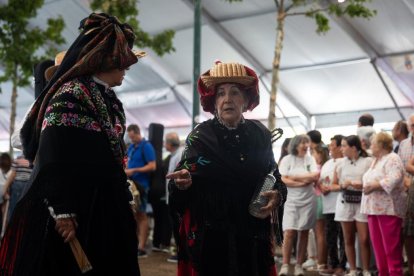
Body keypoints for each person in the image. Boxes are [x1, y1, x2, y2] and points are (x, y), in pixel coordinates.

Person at [0, 13, 145, 276]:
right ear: (104, 58)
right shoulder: (72, 93)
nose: (127, 67)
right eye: (123, 61)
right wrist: (63, 210)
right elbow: (54, 154)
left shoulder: (109, 98)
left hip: (104, 206)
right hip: (75, 210)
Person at [167, 61, 287, 276]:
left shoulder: (260, 134)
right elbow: (181, 181)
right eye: (221, 94)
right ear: (214, 102)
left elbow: (273, 175)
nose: (227, 99)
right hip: (213, 234)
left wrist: (276, 195)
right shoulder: (200, 136)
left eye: (235, 93)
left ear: (247, 100)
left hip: (252, 234)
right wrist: (183, 184)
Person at [361, 132, 406, 276]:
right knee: (379, 249)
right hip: (373, 209)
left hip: (388, 209)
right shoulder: (376, 160)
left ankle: (395, 273)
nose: (370, 146)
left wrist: (374, 185)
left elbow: (394, 179)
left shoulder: (393, 158)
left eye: (373, 143)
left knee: (391, 249)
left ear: (381, 145)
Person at [279, 134, 319, 276]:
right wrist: (301, 182)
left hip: (308, 199)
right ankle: (285, 264)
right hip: (291, 200)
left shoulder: (310, 159)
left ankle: (299, 265)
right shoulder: (287, 159)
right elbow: (282, 179)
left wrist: (293, 176)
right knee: (289, 232)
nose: (306, 145)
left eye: (307, 143)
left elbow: (314, 176)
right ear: (295, 144)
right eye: (303, 143)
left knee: (304, 231)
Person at [332, 135, 372, 276]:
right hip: (345, 203)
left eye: (344, 146)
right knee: (348, 238)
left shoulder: (367, 161)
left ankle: (366, 269)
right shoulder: (340, 163)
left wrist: (358, 184)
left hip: (362, 203)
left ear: (353, 147)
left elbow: (372, 180)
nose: (341, 149)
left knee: (364, 238)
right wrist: (342, 184)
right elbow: (334, 184)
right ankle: (353, 269)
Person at [126, 124, 156, 258]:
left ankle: (142, 247)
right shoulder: (132, 147)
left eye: (133, 137)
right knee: (134, 215)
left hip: (142, 186)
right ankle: (136, 244)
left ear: (138, 133)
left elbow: (152, 166)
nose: (131, 139)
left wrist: (133, 170)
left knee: (142, 215)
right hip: (131, 185)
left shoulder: (146, 146)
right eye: (130, 137)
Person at [319, 135, 347, 276]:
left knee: (343, 236)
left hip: (342, 204)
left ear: (340, 147)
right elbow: (320, 180)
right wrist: (322, 186)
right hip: (328, 204)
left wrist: (330, 187)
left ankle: (343, 265)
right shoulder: (327, 163)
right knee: (330, 235)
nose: (330, 148)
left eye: (332, 145)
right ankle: (333, 263)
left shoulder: (345, 162)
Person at [164, 132, 183, 263]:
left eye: (165, 142)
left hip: (177, 196)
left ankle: (181, 253)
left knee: (178, 225)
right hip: (172, 195)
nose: (164, 145)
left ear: (169, 144)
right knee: (176, 225)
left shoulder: (180, 154)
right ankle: (179, 251)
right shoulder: (173, 155)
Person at [399, 113, 414, 275]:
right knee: (408, 232)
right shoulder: (403, 144)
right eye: (412, 126)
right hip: (406, 193)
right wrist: (405, 182)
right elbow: (401, 168)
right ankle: (411, 267)